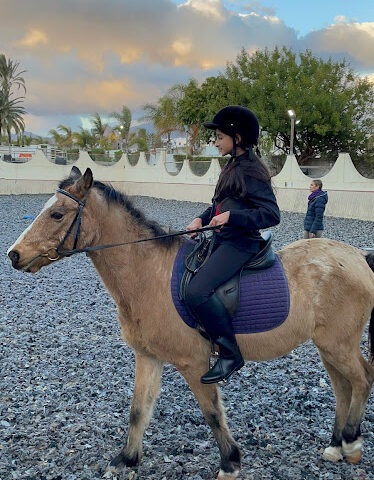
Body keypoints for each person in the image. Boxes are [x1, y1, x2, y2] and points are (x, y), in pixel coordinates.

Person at [185, 106, 280, 384]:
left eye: (219, 136)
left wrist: (231, 217)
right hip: (223, 238)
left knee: (197, 290)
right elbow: (219, 205)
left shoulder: (251, 169)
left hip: (241, 244)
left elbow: (272, 214)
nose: (215, 142)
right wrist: (199, 219)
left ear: (237, 138)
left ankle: (230, 353)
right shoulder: (232, 165)